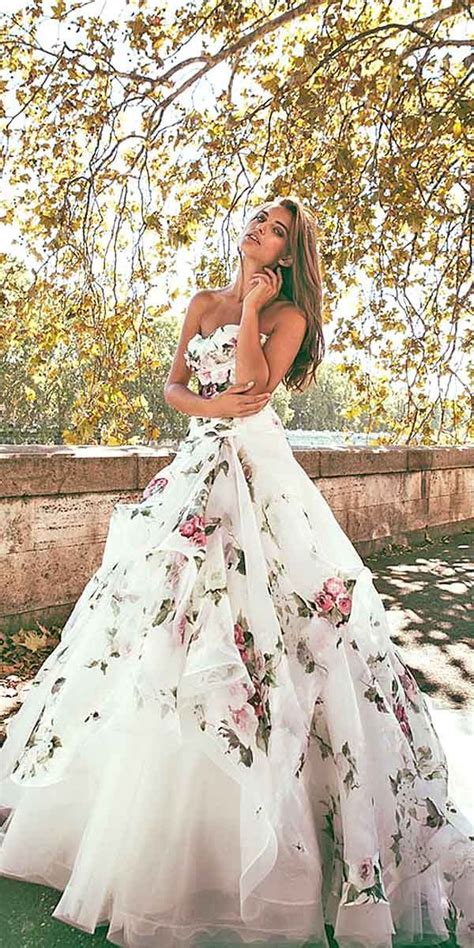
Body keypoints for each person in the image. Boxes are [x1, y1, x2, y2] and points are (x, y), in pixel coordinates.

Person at [0, 196, 473, 948]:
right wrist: (206, 399)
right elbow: (176, 390)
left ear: (287, 254)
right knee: (163, 631)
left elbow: (255, 385)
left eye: (276, 231)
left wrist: (252, 308)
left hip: (260, 478)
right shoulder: (199, 301)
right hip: (195, 471)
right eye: (257, 221)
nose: (258, 231)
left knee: (276, 632)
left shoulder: (284, 315)